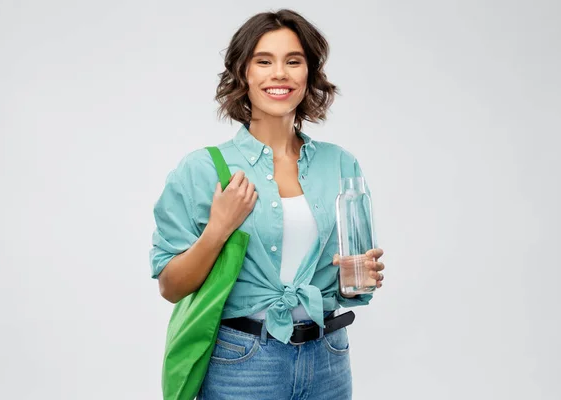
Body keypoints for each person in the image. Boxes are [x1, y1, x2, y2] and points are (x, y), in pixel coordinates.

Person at [150, 9, 386, 399]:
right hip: (243, 363)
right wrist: (218, 228)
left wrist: (358, 275)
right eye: (264, 61)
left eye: (294, 61)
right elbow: (171, 287)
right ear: (243, 73)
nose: (280, 73)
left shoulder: (340, 164)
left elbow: (352, 282)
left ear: (309, 72)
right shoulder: (204, 169)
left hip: (328, 355)